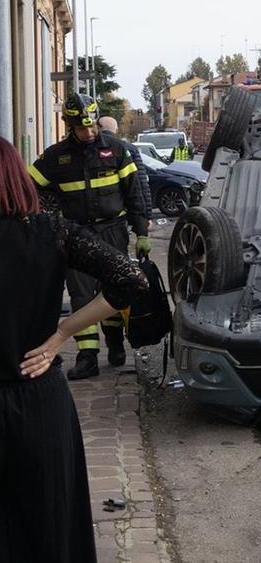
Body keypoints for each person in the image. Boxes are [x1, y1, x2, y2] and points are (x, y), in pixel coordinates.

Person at [1, 135, 148, 563]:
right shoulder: (52, 233)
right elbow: (130, 278)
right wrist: (61, 334)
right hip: (39, 396)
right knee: (50, 521)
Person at [29, 93, 150, 379]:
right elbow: (30, 185)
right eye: (82, 128)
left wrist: (142, 231)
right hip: (76, 234)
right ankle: (87, 357)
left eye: (92, 126)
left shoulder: (117, 150)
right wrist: (49, 211)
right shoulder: (56, 157)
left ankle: (116, 344)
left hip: (113, 229)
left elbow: (135, 192)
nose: (89, 132)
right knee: (82, 295)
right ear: (70, 126)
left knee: (113, 289)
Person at [97, 116, 153, 218]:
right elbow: (140, 182)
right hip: (121, 212)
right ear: (116, 130)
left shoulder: (88, 149)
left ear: (98, 128)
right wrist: (146, 214)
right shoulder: (128, 148)